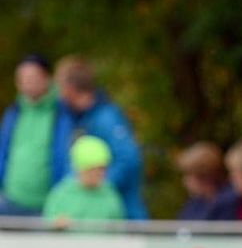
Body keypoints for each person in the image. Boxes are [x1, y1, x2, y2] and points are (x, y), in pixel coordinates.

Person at [55, 56, 148, 220]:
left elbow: (128, 160)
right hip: (92, 219)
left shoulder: (106, 118)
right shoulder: (77, 118)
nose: (58, 93)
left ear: (70, 88)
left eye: (59, 87)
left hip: (122, 217)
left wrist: (96, 187)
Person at [0, 55, 74, 216]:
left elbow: (67, 158)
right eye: (21, 78)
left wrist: (62, 199)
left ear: (47, 78)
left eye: (32, 77)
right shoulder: (13, 112)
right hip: (9, 201)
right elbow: (4, 152)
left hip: (48, 205)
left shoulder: (64, 112)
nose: (26, 83)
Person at [43, 135, 124, 224]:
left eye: (102, 169)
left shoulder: (110, 196)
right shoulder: (61, 195)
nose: (99, 175)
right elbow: (47, 223)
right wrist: (56, 224)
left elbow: (118, 226)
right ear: (80, 169)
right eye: (93, 170)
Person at [176, 141, 228, 220]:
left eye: (188, 174)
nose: (185, 181)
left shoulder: (228, 203)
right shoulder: (194, 203)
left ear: (205, 176)